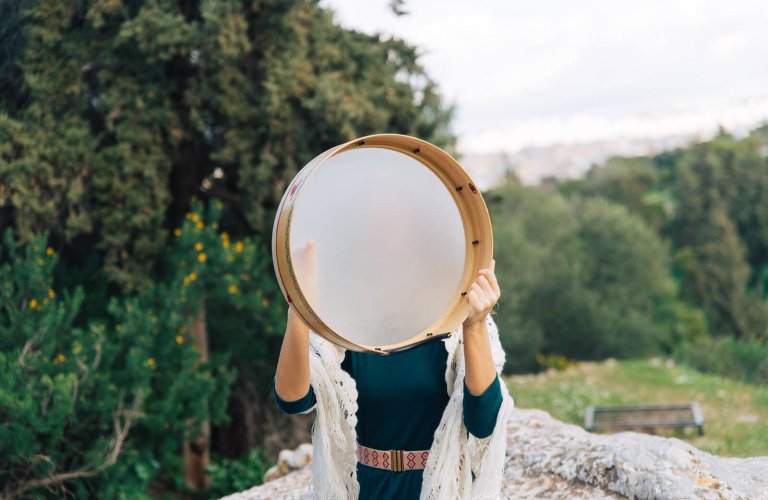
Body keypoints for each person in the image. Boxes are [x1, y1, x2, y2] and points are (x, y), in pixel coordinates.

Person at [273, 241, 514, 499]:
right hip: (367, 489)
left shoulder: (459, 322)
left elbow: (484, 423)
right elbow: (293, 400)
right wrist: (299, 305)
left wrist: (474, 325)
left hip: (439, 489)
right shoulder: (345, 323)